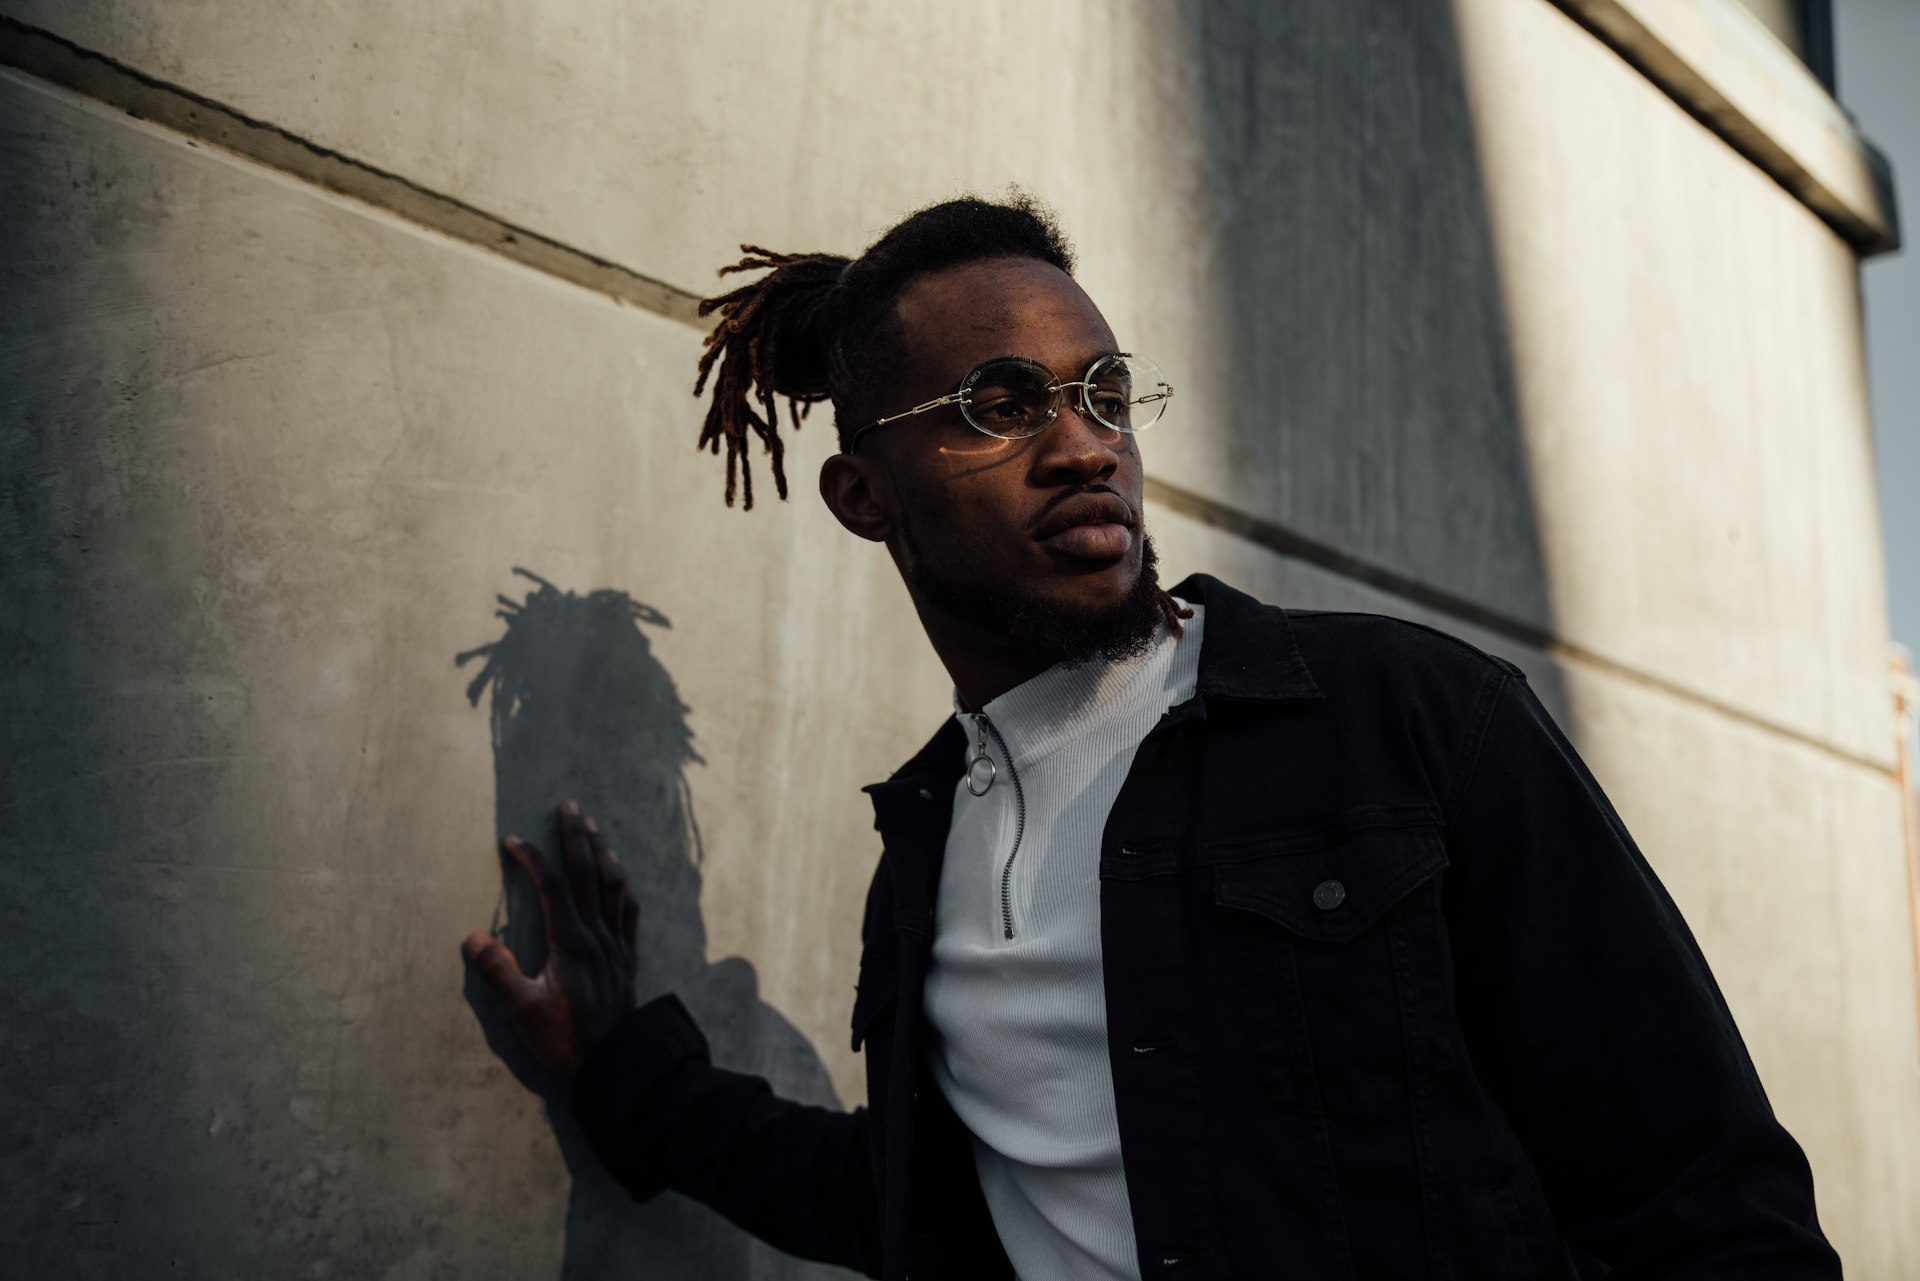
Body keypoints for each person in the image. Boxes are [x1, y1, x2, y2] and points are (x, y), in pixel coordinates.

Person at [461, 195, 1839, 1280]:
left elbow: (1708, 1203)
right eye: (999, 405)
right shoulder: (931, 844)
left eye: (1104, 392)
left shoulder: (1409, 720)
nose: (1083, 445)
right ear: (861, 496)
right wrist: (623, 1070)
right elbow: (920, 1202)